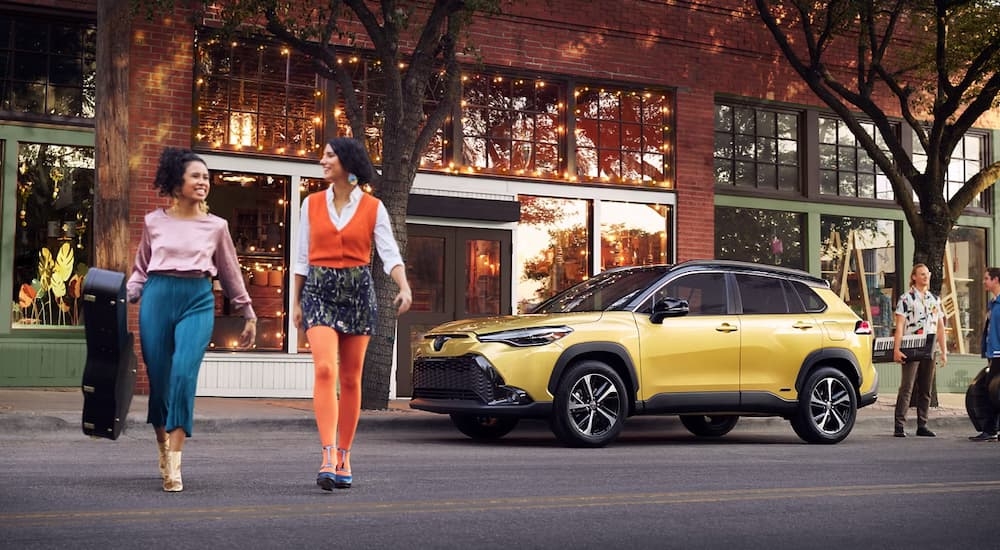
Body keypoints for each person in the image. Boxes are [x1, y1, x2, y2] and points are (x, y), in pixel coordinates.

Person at [126, 147, 257, 492]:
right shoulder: (154, 221)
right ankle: (162, 446)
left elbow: (230, 273)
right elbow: (141, 268)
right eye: (196, 176)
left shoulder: (216, 226)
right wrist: (126, 292)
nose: (203, 183)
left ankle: (175, 463)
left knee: (184, 372)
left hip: (198, 299)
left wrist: (248, 311)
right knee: (160, 381)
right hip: (157, 297)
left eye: (206, 178)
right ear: (177, 180)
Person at [292, 137, 412, 491]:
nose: (322, 161)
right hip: (319, 291)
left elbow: (389, 253)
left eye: (329, 155)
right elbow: (301, 257)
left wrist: (403, 286)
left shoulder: (374, 207)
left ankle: (344, 454)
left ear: (347, 162)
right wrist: (296, 302)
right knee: (325, 368)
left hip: (359, 293)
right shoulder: (310, 203)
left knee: (350, 378)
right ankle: (327, 453)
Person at [891, 263, 947, 437]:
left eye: (927, 274)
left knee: (926, 387)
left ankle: (922, 424)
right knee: (907, 386)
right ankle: (899, 425)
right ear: (914, 277)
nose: (926, 277)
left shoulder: (934, 299)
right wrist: (896, 349)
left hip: (929, 347)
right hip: (911, 346)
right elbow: (899, 326)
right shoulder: (906, 299)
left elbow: (940, 327)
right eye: (922, 274)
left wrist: (943, 350)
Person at [970, 267, 1000, 441]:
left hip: (998, 353)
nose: (984, 281)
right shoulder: (993, 303)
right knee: (992, 392)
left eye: (987, 278)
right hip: (992, 352)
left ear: (996, 280)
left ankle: (990, 430)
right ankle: (992, 429)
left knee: (993, 392)